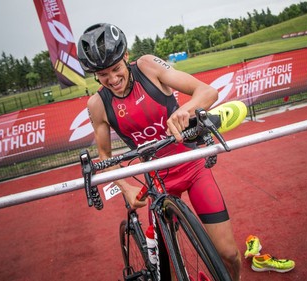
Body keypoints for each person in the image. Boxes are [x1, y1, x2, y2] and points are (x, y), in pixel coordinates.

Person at [77, 23, 241, 280]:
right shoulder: (97, 104)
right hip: (157, 181)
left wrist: (186, 110)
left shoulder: (147, 66)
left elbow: (208, 92)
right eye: (102, 74)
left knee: (228, 253)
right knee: (168, 271)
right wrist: (126, 187)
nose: (112, 79)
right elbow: (104, 156)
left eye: (116, 68)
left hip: (192, 166)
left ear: (126, 57)